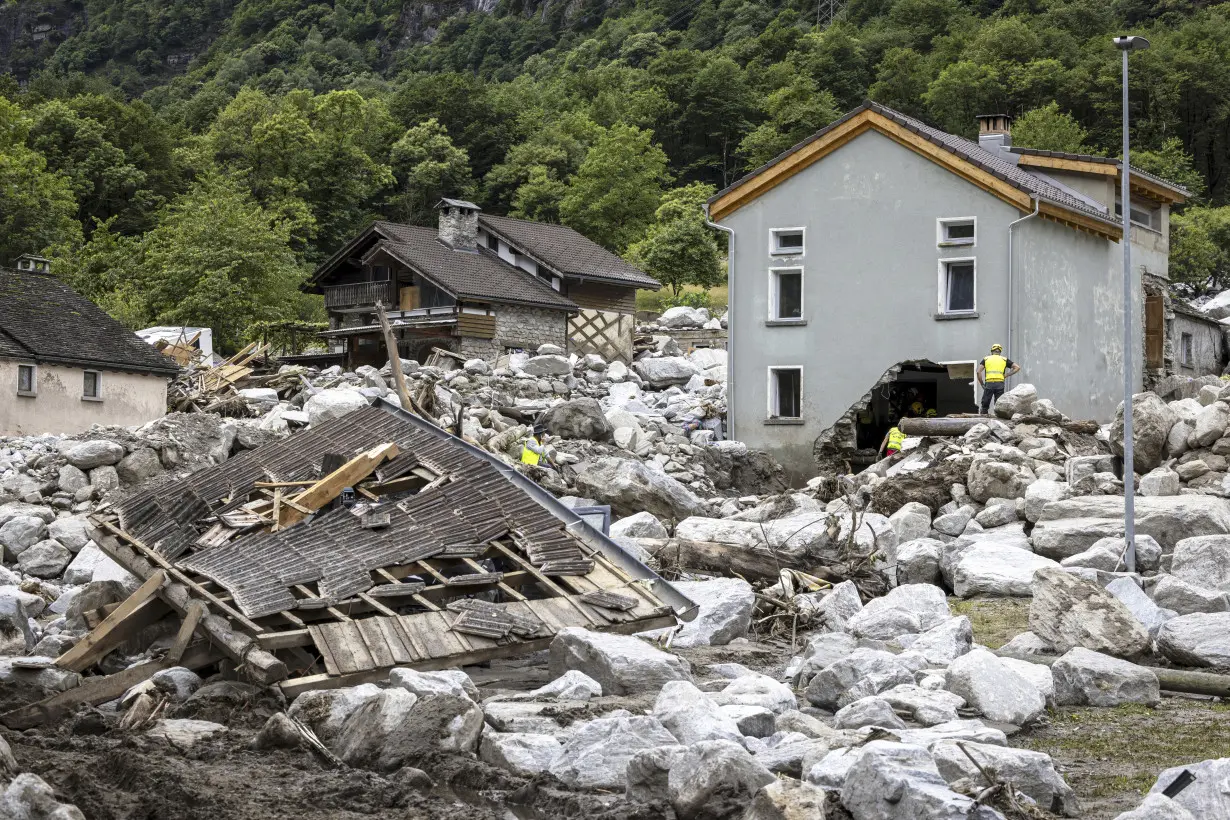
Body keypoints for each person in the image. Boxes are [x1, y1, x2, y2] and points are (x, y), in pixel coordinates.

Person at [977, 343, 1021, 414]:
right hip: (1000, 384)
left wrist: (982, 384)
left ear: (992, 351)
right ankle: (999, 420)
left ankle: (983, 420)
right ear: (1000, 352)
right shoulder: (1004, 359)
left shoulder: (986, 359)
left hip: (989, 384)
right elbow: (1017, 367)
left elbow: (978, 372)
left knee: (985, 404)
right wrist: (1007, 375)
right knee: (999, 405)